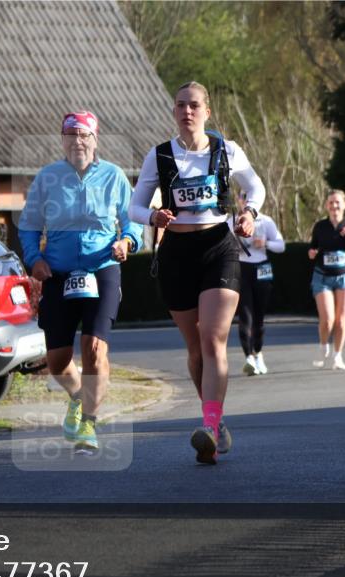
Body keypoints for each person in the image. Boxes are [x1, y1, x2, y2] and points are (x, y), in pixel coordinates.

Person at [129, 81, 266, 465]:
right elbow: (134, 207)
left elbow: (256, 187)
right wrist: (153, 216)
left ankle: (208, 424)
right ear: (174, 111)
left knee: (212, 339)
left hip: (218, 248)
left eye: (193, 105)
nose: (186, 111)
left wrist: (249, 214)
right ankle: (216, 423)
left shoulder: (227, 150)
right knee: (195, 349)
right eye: (180, 105)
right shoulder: (159, 155)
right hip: (176, 253)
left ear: (207, 111)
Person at [18, 111, 142, 454]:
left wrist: (127, 241)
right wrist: (35, 259)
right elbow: (28, 226)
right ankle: (77, 396)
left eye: (84, 135)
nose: (77, 141)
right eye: (70, 135)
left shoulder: (114, 176)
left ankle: (89, 422)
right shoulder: (47, 178)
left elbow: (133, 220)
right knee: (57, 360)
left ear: (95, 139)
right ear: (63, 140)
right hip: (58, 274)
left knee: (94, 348)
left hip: (102, 268)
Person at [308, 189, 345, 370]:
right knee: (327, 320)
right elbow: (313, 248)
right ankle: (323, 346)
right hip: (322, 277)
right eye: (331, 202)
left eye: (337, 202)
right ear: (326, 205)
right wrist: (312, 253)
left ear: (344, 205)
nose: (334, 206)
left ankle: (337, 356)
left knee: (340, 321)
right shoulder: (320, 226)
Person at [235, 195, 285, 376]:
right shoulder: (232, 221)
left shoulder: (266, 221)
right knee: (245, 315)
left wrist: (265, 243)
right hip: (241, 268)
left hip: (262, 267)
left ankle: (258, 353)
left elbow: (281, 246)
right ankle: (248, 357)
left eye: (249, 197)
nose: (245, 201)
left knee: (259, 317)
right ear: (238, 200)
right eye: (243, 197)